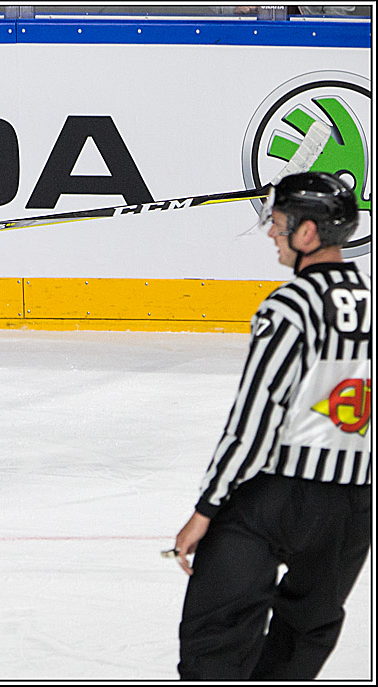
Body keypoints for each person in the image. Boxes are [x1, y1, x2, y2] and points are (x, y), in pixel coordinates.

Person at [170, 172, 371, 679]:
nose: (270, 234)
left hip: (277, 501)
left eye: (278, 223)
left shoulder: (289, 307)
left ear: (308, 234)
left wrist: (206, 508)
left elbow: (254, 421)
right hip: (353, 507)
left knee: (215, 636)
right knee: (305, 633)